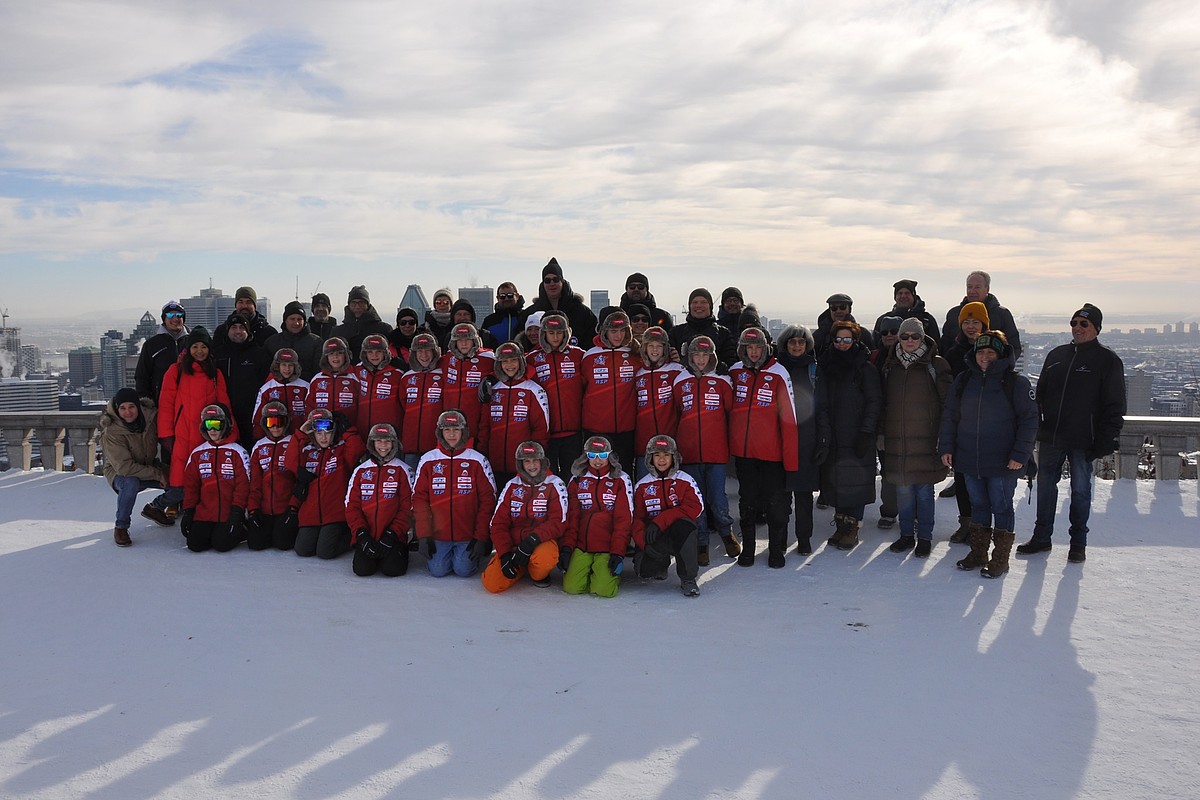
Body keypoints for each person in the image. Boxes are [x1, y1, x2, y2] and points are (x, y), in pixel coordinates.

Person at [1020, 304, 1126, 563]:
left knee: (1080, 491)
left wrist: (1105, 439)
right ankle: (1042, 538)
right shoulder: (1057, 355)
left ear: (1096, 329)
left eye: (1084, 324)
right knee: (1046, 487)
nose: (1077, 328)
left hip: (1084, 439)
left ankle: (1078, 543)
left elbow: (1115, 405)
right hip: (1052, 435)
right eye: (1074, 323)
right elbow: (1040, 395)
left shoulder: (1108, 361)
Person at [939, 332, 1038, 578]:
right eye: (981, 352)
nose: (985, 357)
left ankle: (1000, 559)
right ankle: (979, 553)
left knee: (1002, 508)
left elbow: (1029, 421)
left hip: (1004, 460)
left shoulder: (1016, 384)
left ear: (1001, 355)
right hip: (970, 458)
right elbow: (950, 416)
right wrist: (946, 447)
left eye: (991, 353)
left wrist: (1020, 454)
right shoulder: (964, 380)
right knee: (978, 506)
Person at [144, 326, 236, 527]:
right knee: (180, 482)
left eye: (203, 346)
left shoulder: (215, 373)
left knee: (204, 480)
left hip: (209, 435)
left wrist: (230, 432)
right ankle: (156, 506)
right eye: (195, 346)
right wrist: (166, 434)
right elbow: (167, 404)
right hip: (183, 435)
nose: (200, 351)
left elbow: (224, 404)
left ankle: (195, 517)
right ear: (188, 348)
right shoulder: (175, 371)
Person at [879, 317, 953, 557]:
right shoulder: (890, 365)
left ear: (923, 337)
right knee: (903, 492)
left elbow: (948, 405)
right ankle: (906, 535)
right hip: (898, 440)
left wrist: (944, 438)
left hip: (927, 440)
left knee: (923, 492)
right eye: (904, 336)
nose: (910, 341)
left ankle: (924, 538)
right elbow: (884, 403)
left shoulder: (936, 365)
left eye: (915, 336)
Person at [729, 327, 799, 567]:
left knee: (776, 504)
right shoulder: (735, 372)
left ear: (766, 348)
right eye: (750, 347)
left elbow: (790, 420)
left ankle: (776, 550)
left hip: (772, 455)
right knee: (746, 502)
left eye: (759, 347)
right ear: (742, 348)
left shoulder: (779, 373)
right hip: (744, 454)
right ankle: (747, 549)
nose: (755, 352)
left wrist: (791, 461)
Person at [672, 335, 740, 563]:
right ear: (689, 357)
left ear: (712, 357)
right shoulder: (680, 382)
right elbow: (675, 412)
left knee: (718, 499)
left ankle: (726, 532)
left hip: (716, 453)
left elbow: (732, 414)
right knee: (697, 500)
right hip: (689, 454)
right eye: (696, 355)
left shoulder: (722, 382)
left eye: (705, 355)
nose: (700, 359)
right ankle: (702, 542)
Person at [815, 320, 882, 551]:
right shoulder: (826, 366)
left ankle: (853, 527)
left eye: (847, 339)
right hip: (834, 433)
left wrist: (866, 431)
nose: (842, 344)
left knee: (856, 481)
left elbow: (874, 402)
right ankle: (842, 524)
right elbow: (821, 402)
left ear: (855, 341)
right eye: (838, 339)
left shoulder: (865, 369)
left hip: (857, 434)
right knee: (837, 480)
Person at [412, 410, 498, 578]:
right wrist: (423, 535)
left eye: (456, 430)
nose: (451, 434)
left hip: (468, 534)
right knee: (438, 570)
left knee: (463, 570)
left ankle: (466, 556)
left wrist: (481, 537)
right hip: (439, 534)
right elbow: (419, 499)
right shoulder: (428, 460)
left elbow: (488, 499)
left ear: (463, 432)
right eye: (447, 430)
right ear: (440, 432)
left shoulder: (477, 460)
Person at [482, 441, 568, 592]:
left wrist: (531, 541)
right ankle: (519, 566)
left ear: (542, 461)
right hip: (514, 545)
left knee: (545, 557)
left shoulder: (554, 483)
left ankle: (538, 574)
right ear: (520, 464)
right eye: (527, 461)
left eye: (535, 460)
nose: (532, 465)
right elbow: (497, 524)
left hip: (540, 542)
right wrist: (505, 554)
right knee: (492, 584)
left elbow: (558, 521)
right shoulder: (512, 486)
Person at [285, 407, 365, 559]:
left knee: (325, 552)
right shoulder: (306, 451)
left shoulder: (341, 450)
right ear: (312, 433)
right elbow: (290, 463)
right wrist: (300, 433)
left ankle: (351, 536)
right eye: (319, 433)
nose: (323, 437)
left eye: (327, 432)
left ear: (334, 431)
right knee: (303, 549)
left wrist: (347, 429)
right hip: (311, 512)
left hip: (335, 513)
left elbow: (357, 449)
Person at [562, 435, 634, 598]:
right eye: (592, 455)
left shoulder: (621, 479)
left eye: (602, 455)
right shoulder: (577, 479)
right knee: (572, 588)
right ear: (585, 455)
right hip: (582, 546)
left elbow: (623, 520)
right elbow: (571, 517)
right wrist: (567, 548)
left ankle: (604, 574)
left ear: (610, 455)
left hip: (607, 548)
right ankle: (588, 569)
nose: (597, 460)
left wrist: (618, 552)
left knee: (603, 590)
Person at [632, 435, 704, 596]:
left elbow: (696, 507)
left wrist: (661, 520)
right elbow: (636, 518)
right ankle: (661, 561)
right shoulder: (642, 485)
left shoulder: (685, 480)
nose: (662, 460)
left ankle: (688, 579)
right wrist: (644, 544)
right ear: (650, 458)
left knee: (686, 526)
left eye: (666, 455)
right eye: (657, 455)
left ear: (674, 457)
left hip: (678, 533)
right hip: (654, 535)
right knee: (644, 571)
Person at [942, 301, 990, 540]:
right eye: (966, 322)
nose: (971, 327)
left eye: (976, 322)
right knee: (961, 477)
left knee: (986, 480)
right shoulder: (953, 353)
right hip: (962, 425)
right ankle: (966, 523)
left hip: (990, 425)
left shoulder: (994, 350)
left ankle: (983, 526)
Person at [346, 423, 416, 578]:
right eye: (378, 441)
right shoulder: (361, 470)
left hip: (393, 536)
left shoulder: (404, 470)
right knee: (362, 570)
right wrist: (361, 533)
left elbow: (409, 507)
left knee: (392, 570)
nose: (383, 446)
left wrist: (393, 534)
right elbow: (351, 506)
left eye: (387, 441)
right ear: (372, 443)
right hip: (368, 534)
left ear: (394, 444)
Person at [774, 325, 821, 556]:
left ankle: (804, 539)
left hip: (806, 438)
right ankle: (780, 539)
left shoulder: (814, 369)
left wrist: (823, 438)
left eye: (801, 342)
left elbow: (822, 406)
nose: (796, 346)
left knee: (803, 494)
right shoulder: (775, 368)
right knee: (781, 495)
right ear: (784, 344)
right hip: (780, 439)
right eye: (792, 342)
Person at [179, 404, 251, 553]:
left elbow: (243, 486)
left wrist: (237, 513)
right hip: (205, 513)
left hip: (228, 514)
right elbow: (191, 486)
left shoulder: (238, 451)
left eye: (216, 425)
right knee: (195, 545)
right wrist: (189, 511)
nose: (212, 430)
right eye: (208, 424)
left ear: (225, 425)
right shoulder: (198, 453)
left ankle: (242, 529)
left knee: (221, 544)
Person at [101, 387, 167, 546]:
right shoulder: (111, 431)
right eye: (122, 408)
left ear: (138, 406)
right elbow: (125, 468)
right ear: (117, 409)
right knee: (131, 482)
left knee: (180, 481)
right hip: (120, 473)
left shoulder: (150, 418)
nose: (127, 412)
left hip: (147, 465)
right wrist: (158, 475)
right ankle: (121, 527)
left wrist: (165, 471)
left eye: (131, 407)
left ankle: (155, 508)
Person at [478, 342, 550, 485]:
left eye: (513, 360)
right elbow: (485, 426)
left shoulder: (533, 390)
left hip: (523, 468)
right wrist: (483, 452)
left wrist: (532, 459)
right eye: (505, 361)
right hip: (495, 464)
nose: (509, 365)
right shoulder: (493, 390)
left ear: (521, 361)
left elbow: (541, 429)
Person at [528, 312, 586, 476]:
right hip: (547, 433)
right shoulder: (533, 358)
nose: (555, 337)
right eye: (551, 333)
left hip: (574, 431)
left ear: (566, 333)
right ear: (543, 333)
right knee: (548, 478)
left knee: (574, 476)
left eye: (559, 333)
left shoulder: (578, 355)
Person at [581, 310, 639, 470]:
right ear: (604, 331)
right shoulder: (589, 356)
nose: (618, 336)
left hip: (626, 430)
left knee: (624, 472)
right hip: (596, 429)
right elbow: (581, 388)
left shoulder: (635, 355)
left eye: (622, 331)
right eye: (614, 331)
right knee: (596, 474)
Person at [212, 312, 272, 451]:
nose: (238, 331)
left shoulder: (259, 354)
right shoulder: (217, 355)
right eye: (234, 327)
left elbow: (268, 385)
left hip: (251, 417)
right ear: (227, 330)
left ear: (247, 331)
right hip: (225, 415)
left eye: (242, 327)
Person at [245, 400, 299, 551]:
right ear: (265, 424)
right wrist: (253, 510)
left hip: (286, 509)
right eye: (271, 422)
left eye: (279, 422)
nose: (275, 427)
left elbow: (298, 480)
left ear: (286, 422)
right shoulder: (259, 446)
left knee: (283, 544)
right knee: (256, 545)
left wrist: (293, 508)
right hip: (264, 509)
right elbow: (254, 482)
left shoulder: (293, 443)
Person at [632, 327, 683, 478]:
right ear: (644, 348)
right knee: (644, 485)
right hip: (643, 444)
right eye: (651, 346)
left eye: (659, 346)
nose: (655, 350)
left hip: (670, 442)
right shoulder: (638, 372)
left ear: (665, 349)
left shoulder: (676, 370)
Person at [941, 270, 1022, 365]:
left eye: (977, 287)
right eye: (969, 287)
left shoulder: (1001, 314)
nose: (972, 291)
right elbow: (944, 346)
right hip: (958, 373)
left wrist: (999, 369)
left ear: (987, 289)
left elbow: (1013, 348)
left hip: (993, 374)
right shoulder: (954, 314)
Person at [520, 258, 598, 346]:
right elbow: (522, 340)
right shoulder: (531, 312)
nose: (552, 283)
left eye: (556, 279)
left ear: (562, 282)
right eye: (547, 280)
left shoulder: (582, 312)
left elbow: (593, 337)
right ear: (543, 284)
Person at [398, 332, 445, 471]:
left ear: (435, 352)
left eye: (428, 351)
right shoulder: (407, 377)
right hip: (411, 446)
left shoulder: (443, 375)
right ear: (414, 354)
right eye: (420, 351)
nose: (424, 355)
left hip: (435, 445)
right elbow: (402, 407)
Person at [439, 322, 495, 436]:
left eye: (467, 340)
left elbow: (508, 368)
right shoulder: (446, 359)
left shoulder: (488, 358)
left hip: (477, 422)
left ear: (474, 340)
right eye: (460, 340)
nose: (464, 344)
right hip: (451, 427)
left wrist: (493, 377)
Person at [668, 289, 737, 372]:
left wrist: (720, 366)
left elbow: (731, 361)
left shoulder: (723, 333)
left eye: (703, 302)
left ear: (710, 306)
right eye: (695, 302)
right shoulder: (676, 332)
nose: (699, 305)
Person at [134, 301, 189, 403]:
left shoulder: (193, 342)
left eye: (179, 315)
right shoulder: (152, 345)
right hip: (161, 403)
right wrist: (147, 406)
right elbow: (142, 377)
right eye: (170, 315)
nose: (175, 319)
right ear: (164, 319)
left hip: (188, 402)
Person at [353, 334, 404, 435]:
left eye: (378, 352)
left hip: (387, 432)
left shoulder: (397, 373)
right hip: (363, 429)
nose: (374, 355)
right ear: (364, 354)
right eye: (370, 352)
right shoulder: (357, 370)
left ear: (385, 352)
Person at [305, 337, 361, 431]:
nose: (335, 357)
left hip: (348, 429)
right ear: (325, 357)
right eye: (331, 354)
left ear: (346, 355)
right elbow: (309, 406)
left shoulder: (355, 377)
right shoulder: (317, 379)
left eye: (339, 353)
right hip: (323, 431)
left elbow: (362, 405)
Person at [252, 348, 309, 437]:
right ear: (277, 366)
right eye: (284, 365)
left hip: (300, 437)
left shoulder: (305, 387)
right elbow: (258, 419)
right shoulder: (267, 389)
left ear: (296, 366)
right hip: (276, 438)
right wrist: (260, 439)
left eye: (290, 365)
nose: (287, 369)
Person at [265, 301, 322, 380]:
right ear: (285, 320)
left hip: (307, 388)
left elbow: (319, 372)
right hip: (279, 389)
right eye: (292, 319)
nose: (296, 323)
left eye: (299, 319)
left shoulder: (315, 342)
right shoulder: (272, 342)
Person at [331, 285, 392, 356]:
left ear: (367, 305)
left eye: (361, 302)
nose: (357, 306)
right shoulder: (337, 332)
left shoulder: (384, 329)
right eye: (353, 303)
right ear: (349, 305)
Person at [872, 279, 940, 343]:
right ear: (895, 297)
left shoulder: (926, 320)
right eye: (900, 293)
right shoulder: (883, 320)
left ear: (913, 296)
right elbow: (875, 344)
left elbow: (936, 345)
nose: (903, 296)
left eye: (907, 293)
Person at [212, 286, 278, 350]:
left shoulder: (269, 333)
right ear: (236, 305)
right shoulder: (222, 331)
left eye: (249, 302)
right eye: (240, 302)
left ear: (254, 306)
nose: (244, 306)